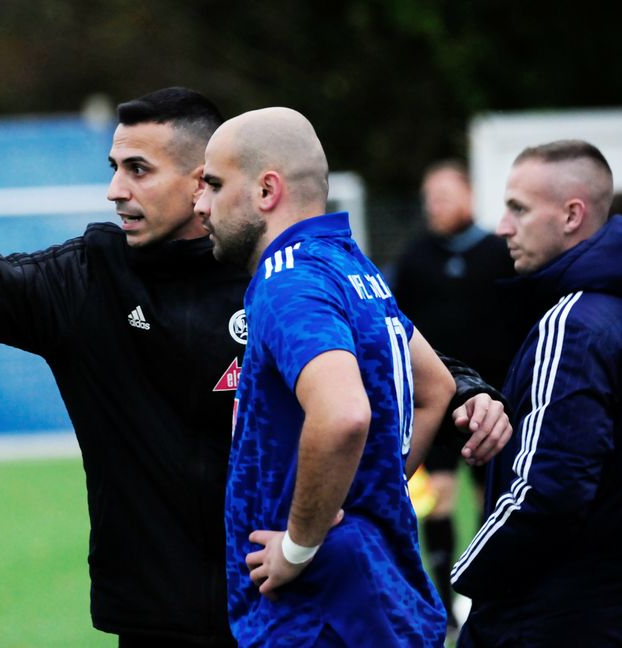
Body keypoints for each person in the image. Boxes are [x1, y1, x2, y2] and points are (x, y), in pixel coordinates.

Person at [0, 88, 507, 646]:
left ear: (204, 184)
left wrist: (467, 396)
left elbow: (394, 357)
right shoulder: (86, 280)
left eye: (137, 169)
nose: (114, 189)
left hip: (281, 607)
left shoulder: (281, 280)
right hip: (151, 617)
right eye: (112, 167)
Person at [195, 107, 483, 646]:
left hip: (320, 610)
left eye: (212, 183)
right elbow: (436, 388)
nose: (201, 203)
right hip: (369, 588)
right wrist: (369, 492)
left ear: (266, 190)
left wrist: (298, 545)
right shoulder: (353, 268)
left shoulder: (288, 281)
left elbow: (343, 413)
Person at [450, 140, 622, 647]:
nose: (502, 226)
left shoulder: (573, 325)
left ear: (572, 215)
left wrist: (465, 575)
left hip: (548, 619)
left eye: (518, 209)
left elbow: (549, 491)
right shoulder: (606, 311)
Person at [390, 160, 526, 637]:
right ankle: (444, 603)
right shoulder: (415, 258)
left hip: (499, 403)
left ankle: (490, 597)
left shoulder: (498, 252)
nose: (435, 207)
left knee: (493, 499)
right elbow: (397, 327)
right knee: (440, 501)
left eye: (444, 196)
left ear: (468, 195)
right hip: (440, 404)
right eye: (429, 198)